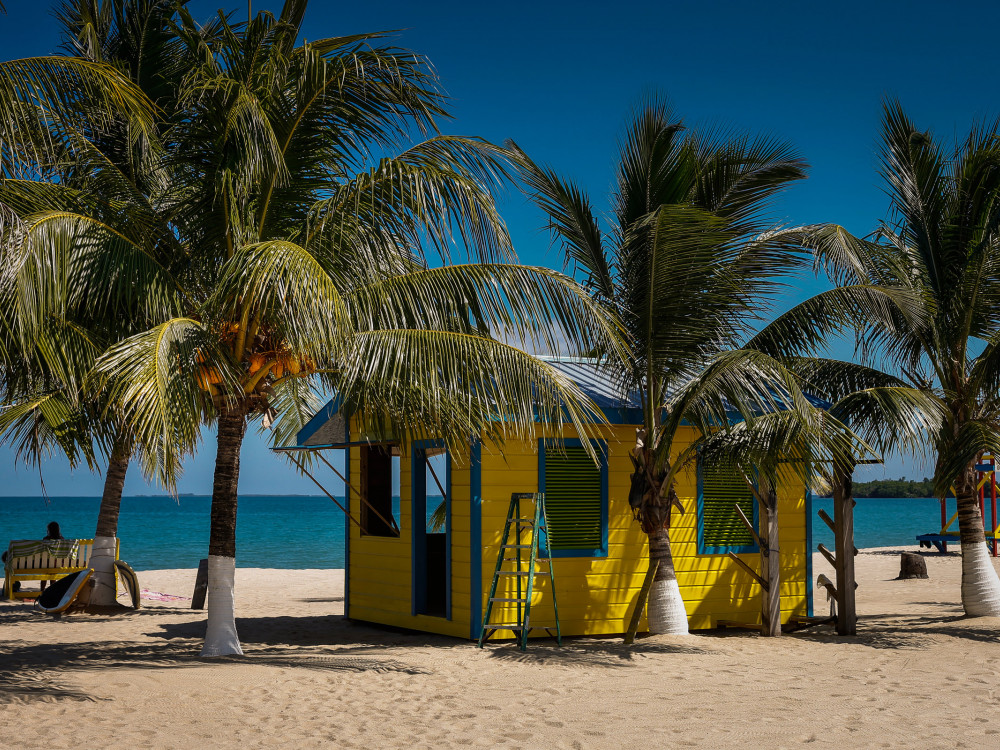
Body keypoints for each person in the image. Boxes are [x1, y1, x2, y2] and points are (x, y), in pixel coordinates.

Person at [39, 522, 64, 592]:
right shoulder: (62, 539)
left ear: (49, 530)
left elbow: (42, 552)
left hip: (46, 564)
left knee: (45, 570)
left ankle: (42, 591)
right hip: (57, 564)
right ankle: (52, 591)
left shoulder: (45, 539)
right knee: (53, 570)